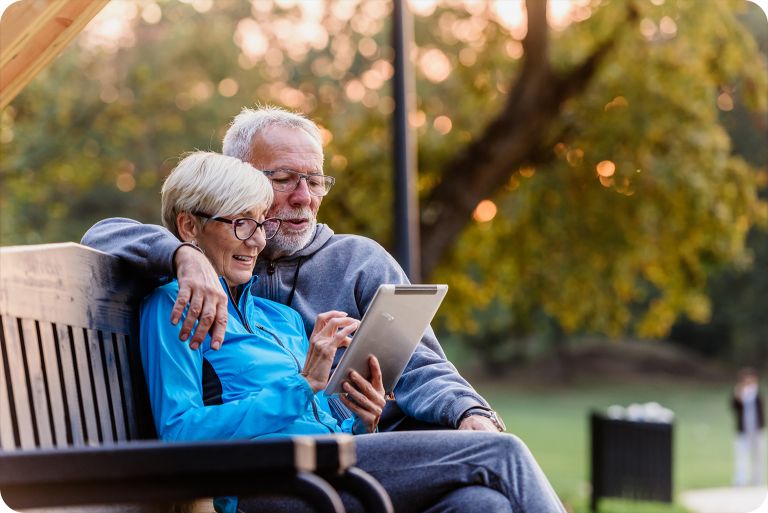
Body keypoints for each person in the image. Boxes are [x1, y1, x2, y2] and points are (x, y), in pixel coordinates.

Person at [142, 150, 567, 513]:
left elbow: (317, 418)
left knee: (479, 504)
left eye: (259, 225)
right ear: (189, 227)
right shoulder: (173, 306)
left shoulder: (280, 318)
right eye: (240, 224)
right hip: (268, 486)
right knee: (500, 452)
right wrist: (302, 384)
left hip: (324, 470)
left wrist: (363, 422)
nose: (255, 241)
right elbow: (180, 433)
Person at [82, 106, 500, 432]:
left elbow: (420, 364)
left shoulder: (358, 261)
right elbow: (105, 234)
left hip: (375, 442)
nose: (304, 197)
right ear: (242, 182)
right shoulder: (213, 252)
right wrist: (183, 256)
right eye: (284, 179)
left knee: (484, 487)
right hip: (291, 472)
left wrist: (469, 414)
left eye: (315, 181)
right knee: (492, 472)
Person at [731, 367, 766, 486]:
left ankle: (757, 480)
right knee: (741, 456)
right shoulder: (739, 393)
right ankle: (740, 480)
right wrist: (739, 395)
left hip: (757, 430)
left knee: (758, 456)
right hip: (743, 430)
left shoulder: (756, 393)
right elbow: (734, 406)